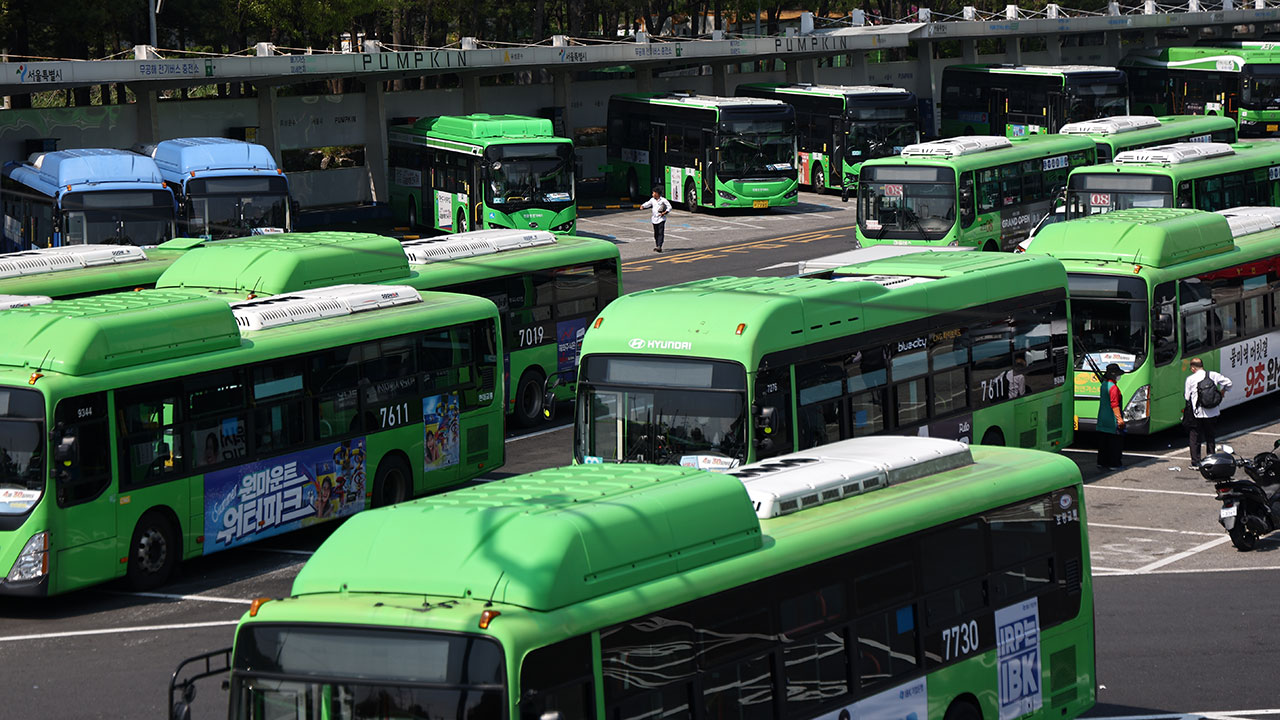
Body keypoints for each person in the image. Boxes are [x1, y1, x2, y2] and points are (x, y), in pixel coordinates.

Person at [1184, 357, 1232, 470]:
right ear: (1202, 365)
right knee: (1210, 436)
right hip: (1212, 411)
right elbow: (1229, 383)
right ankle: (1211, 458)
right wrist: (1223, 391)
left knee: (1195, 436)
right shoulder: (1213, 375)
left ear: (1193, 368)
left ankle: (1196, 462)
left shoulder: (1190, 379)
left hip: (1197, 412)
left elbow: (1187, 397)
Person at [1096, 363, 1125, 470]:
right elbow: (1114, 404)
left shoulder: (1104, 385)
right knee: (1115, 443)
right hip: (1112, 420)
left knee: (1103, 442)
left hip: (1102, 418)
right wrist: (1119, 419)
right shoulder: (1113, 388)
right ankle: (1114, 464)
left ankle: (1102, 462)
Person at [641, 186, 672, 253]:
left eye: (653, 193)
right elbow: (648, 203)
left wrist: (664, 212)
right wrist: (643, 206)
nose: (652, 194)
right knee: (656, 233)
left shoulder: (663, 200)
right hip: (654, 219)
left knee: (661, 233)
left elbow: (669, 207)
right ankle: (657, 245)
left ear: (657, 193)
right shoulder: (652, 200)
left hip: (661, 219)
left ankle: (659, 246)